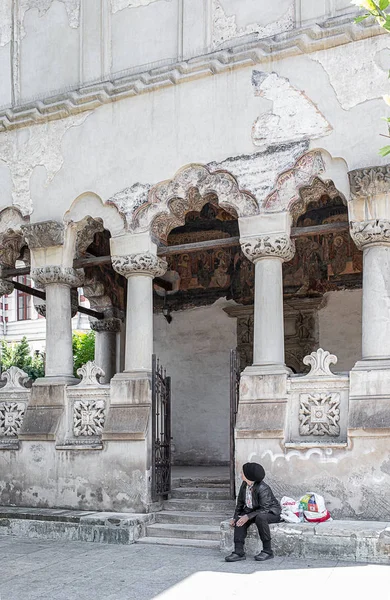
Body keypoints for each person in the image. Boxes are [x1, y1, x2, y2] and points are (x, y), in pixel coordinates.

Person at [225, 462, 281, 562]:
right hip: (254, 510)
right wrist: (235, 517)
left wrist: (248, 516)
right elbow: (240, 504)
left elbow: (264, 509)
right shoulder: (244, 485)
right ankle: (239, 552)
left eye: (242, 472)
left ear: (248, 475)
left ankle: (267, 551)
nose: (241, 474)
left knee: (260, 518)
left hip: (270, 512)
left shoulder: (263, 488)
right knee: (239, 519)